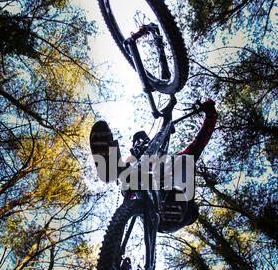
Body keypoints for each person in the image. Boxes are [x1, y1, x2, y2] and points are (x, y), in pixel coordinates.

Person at [90, 99, 217, 233]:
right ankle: (111, 168)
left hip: (179, 211)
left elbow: (200, 141)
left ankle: (176, 200)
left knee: (184, 159)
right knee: (134, 166)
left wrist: (210, 115)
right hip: (147, 207)